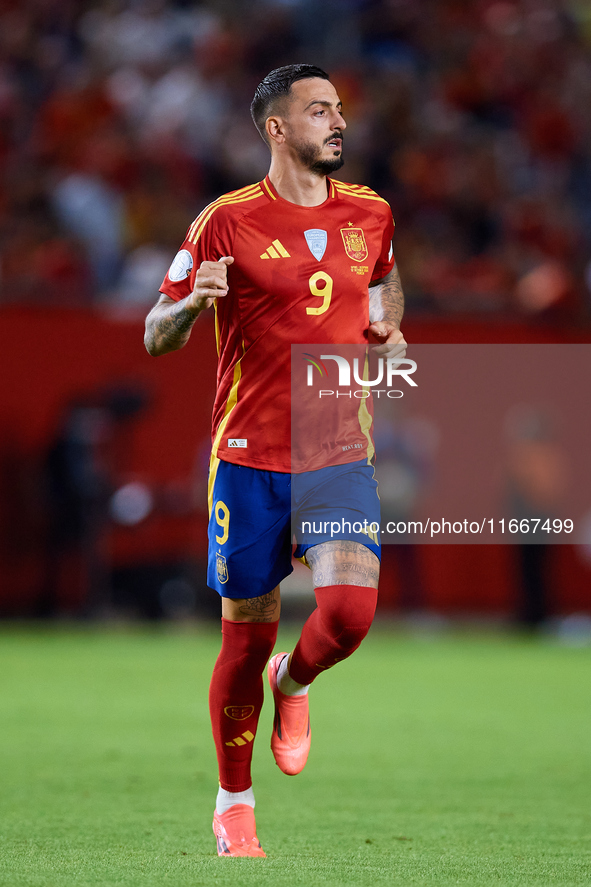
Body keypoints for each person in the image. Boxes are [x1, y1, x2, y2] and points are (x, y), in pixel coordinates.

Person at [144, 64, 406, 857]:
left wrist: (386, 327)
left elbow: (386, 285)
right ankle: (233, 803)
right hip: (250, 458)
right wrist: (192, 303)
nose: (337, 123)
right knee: (244, 637)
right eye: (318, 110)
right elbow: (157, 330)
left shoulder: (373, 212)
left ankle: (292, 680)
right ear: (276, 128)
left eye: (337, 110)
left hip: (337, 451)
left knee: (352, 615)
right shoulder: (224, 221)